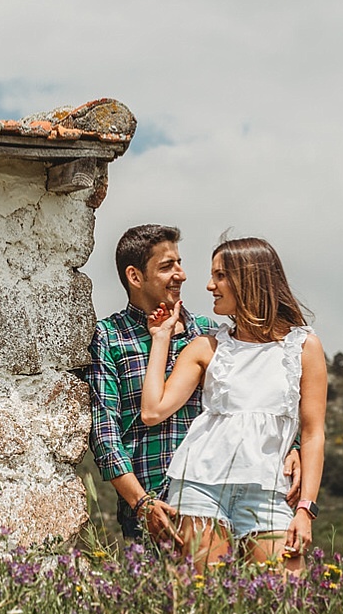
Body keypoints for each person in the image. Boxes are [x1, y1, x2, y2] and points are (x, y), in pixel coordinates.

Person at [87, 225, 300, 550]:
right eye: (167, 266)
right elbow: (105, 434)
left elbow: (263, 394)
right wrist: (141, 503)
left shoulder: (212, 333)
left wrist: (294, 445)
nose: (182, 274)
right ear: (135, 276)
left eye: (180, 263)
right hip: (155, 505)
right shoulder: (109, 337)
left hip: (223, 503)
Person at [140, 236, 326, 574]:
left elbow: (313, 434)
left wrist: (305, 509)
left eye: (220, 275)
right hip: (199, 487)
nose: (210, 285)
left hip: (270, 492)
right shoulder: (206, 347)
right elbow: (153, 411)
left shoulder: (304, 346)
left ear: (250, 278)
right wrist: (161, 338)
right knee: (201, 606)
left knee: (283, 605)